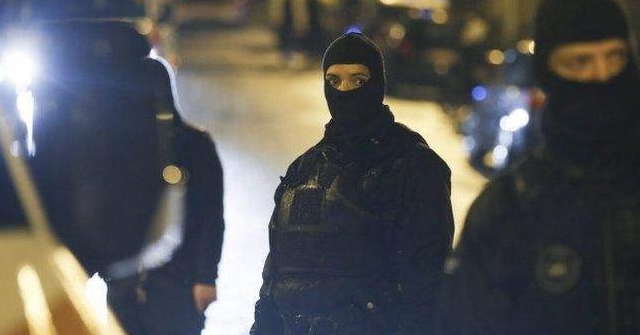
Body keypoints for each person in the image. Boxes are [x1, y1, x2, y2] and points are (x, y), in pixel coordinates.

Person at [437, 0, 640, 335]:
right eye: (580, 63)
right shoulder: (510, 210)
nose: (602, 76)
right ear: (549, 74)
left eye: (615, 57)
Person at [251, 33, 454, 335]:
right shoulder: (304, 169)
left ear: (377, 85)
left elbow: (427, 287)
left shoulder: (413, 167)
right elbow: (274, 282)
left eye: (358, 80)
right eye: (334, 81)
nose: (345, 91)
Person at [107, 58, 224, 335]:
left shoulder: (194, 145)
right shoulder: (117, 147)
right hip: (125, 286)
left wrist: (206, 277)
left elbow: (210, 216)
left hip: (178, 283)